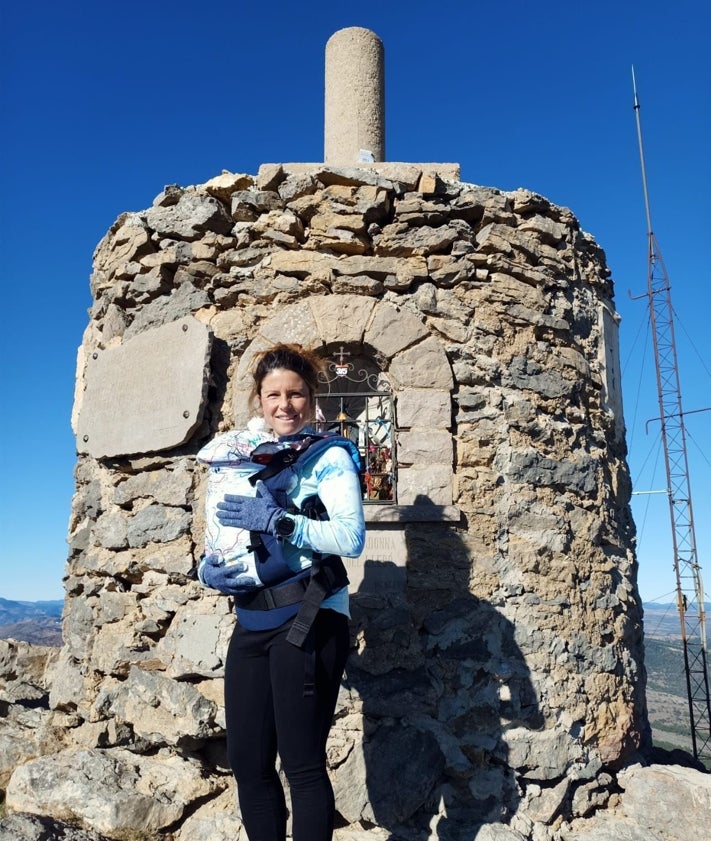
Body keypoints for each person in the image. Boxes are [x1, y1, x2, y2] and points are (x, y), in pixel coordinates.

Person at [198, 343, 366, 841]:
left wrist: (282, 522)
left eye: (295, 394)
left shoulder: (328, 457)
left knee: (302, 764)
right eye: (273, 395)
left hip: (310, 618)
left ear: (311, 397)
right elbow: (225, 532)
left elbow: (350, 539)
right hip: (252, 619)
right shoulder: (242, 456)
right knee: (248, 761)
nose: (284, 405)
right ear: (259, 399)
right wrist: (208, 572)